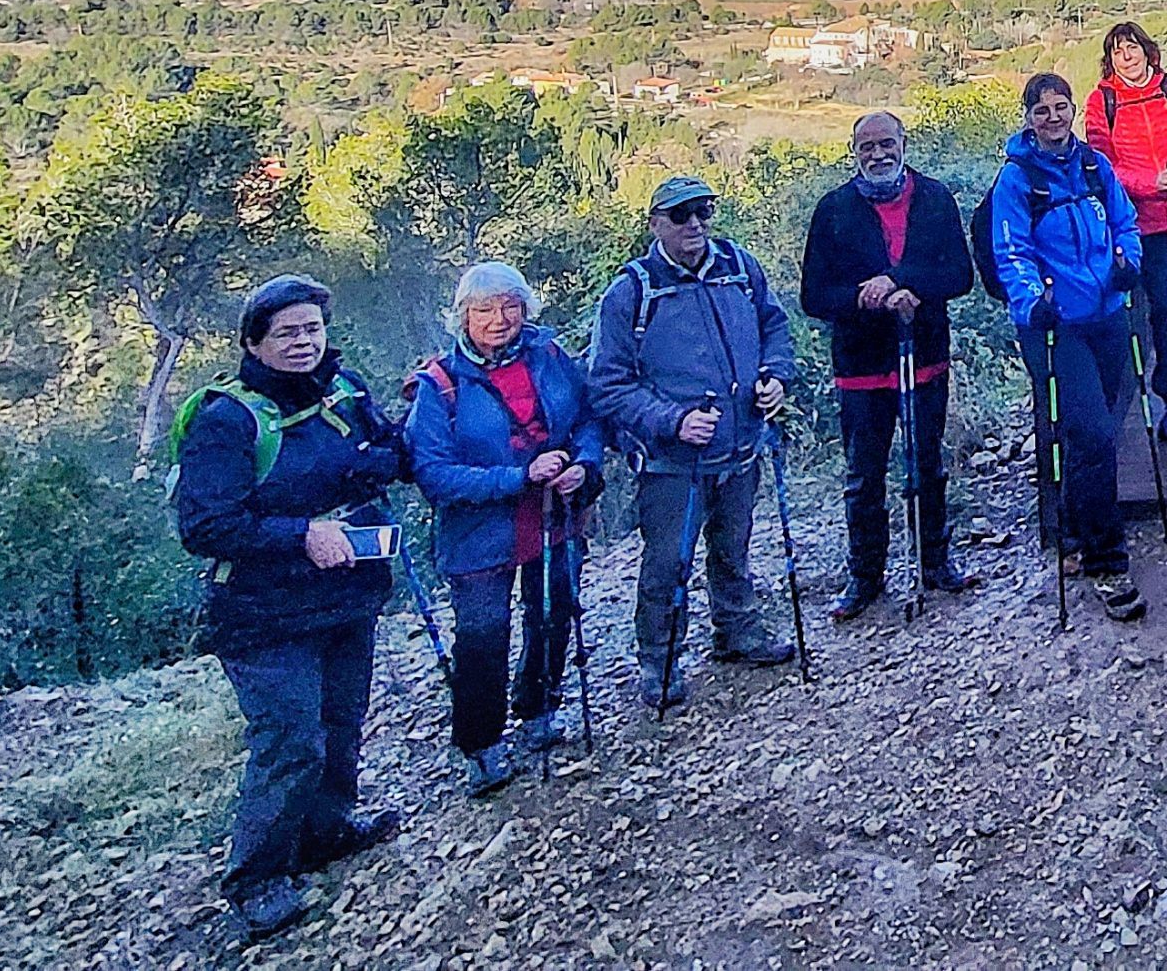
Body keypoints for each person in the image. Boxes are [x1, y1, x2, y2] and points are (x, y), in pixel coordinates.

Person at [170, 276, 406, 941]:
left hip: (347, 591)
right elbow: (206, 524)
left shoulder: (345, 389)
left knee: (340, 719)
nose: (305, 342)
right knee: (288, 739)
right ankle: (257, 878)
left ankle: (328, 828)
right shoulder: (227, 418)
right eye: (288, 332)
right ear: (254, 341)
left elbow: (387, 449)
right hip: (262, 611)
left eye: (313, 328)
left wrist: (379, 460)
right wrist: (301, 532)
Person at [587, 175, 800, 709]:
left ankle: (737, 631)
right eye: (681, 215)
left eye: (703, 211)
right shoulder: (631, 291)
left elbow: (775, 327)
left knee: (733, 546)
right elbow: (607, 384)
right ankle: (658, 662)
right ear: (655, 223)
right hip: (671, 460)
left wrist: (775, 375)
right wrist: (671, 421)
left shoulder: (739, 268)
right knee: (667, 561)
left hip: (740, 443)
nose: (695, 224)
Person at [404, 262, 602, 796]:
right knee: (483, 635)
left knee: (555, 609)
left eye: (511, 306)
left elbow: (587, 416)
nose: (500, 319)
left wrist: (584, 463)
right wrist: (518, 477)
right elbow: (433, 472)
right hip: (480, 533)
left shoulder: (550, 356)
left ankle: (539, 708)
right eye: (485, 309)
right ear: (462, 316)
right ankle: (481, 742)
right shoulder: (439, 384)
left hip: (553, 517)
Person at [799, 111, 978, 619]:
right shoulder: (833, 210)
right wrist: (866, 297)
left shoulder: (936, 199)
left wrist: (904, 284)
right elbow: (814, 295)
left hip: (924, 359)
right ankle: (865, 578)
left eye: (886, 143)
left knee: (927, 465)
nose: (877, 154)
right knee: (864, 475)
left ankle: (935, 562)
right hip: (861, 368)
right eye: (866, 146)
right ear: (853, 152)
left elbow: (959, 275)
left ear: (904, 144)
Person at [988, 73, 1149, 623]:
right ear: (1028, 117)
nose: (1053, 117)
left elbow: (1125, 222)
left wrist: (1129, 262)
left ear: (1073, 110)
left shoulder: (1092, 166)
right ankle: (1108, 563)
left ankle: (1077, 532)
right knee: (1093, 435)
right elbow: (1011, 249)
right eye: (1042, 110)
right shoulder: (1017, 180)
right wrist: (1033, 300)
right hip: (1054, 327)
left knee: (1093, 434)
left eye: (1061, 107)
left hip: (1106, 314)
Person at [1084, 22, 1167, 439]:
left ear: (1147, 50)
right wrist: (1149, 185)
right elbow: (1104, 167)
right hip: (1146, 222)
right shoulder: (1101, 101)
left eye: (1133, 47)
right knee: (1163, 306)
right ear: (1111, 59)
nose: (1127, 56)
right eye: (1118, 51)